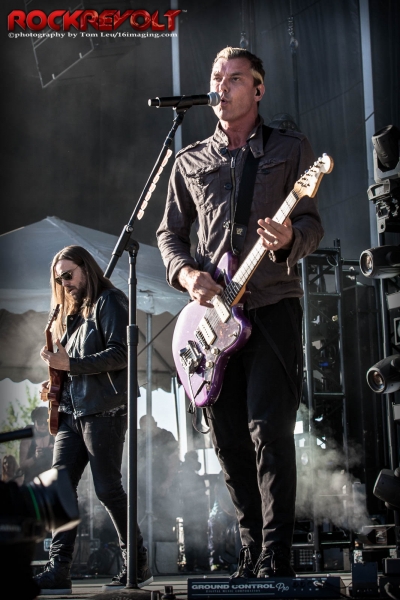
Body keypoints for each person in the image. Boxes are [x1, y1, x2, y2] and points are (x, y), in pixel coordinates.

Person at [157, 47, 324, 578]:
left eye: (234, 78)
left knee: (268, 432)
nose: (222, 87)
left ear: (258, 89)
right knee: (228, 440)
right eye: (217, 78)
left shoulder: (290, 148)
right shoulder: (189, 160)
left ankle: (277, 554)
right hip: (213, 321)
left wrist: (288, 239)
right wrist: (188, 276)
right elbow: (169, 235)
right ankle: (251, 548)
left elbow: (312, 224)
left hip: (271, 306)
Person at [33, 245, 152, 595]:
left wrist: (70, 366)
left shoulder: (110, 301)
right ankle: (58, 570)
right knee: (60, 487)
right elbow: (74, 366)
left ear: (86, 268)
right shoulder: (74, 314)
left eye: (68, 275)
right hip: (72, 412)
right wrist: (55, 383)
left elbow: (121, 352)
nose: (64, 283)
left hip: (104, 410)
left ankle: (137, 562)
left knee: (107, 489)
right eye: (59, 279)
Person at [137, 415, 180, 541]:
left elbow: (174, 460)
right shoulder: (140, 439)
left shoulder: (166, 436)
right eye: (143, 427)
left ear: (155, 424)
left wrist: (167, 483)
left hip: (163, 486)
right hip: (144, 487)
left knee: (164, 522)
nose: (146, 430)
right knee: (144, 524)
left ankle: (164, 549)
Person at [178, 450, 209, 572]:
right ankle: (194, 565)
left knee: (200, 538)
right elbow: (185, 495)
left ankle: (200, 565)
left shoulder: (196, 477)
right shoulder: (184, 476)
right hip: (190, 512)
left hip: (198, 512)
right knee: (192, 539)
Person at [19, 406, 54, 482]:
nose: (43, 425)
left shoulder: (54, 437)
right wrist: (35, 457)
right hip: (31, 481)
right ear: (34, 422)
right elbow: (22, 466)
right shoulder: (27, 439)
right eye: (40, 422)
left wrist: (55, 453)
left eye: (46, 423)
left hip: (50, 481)